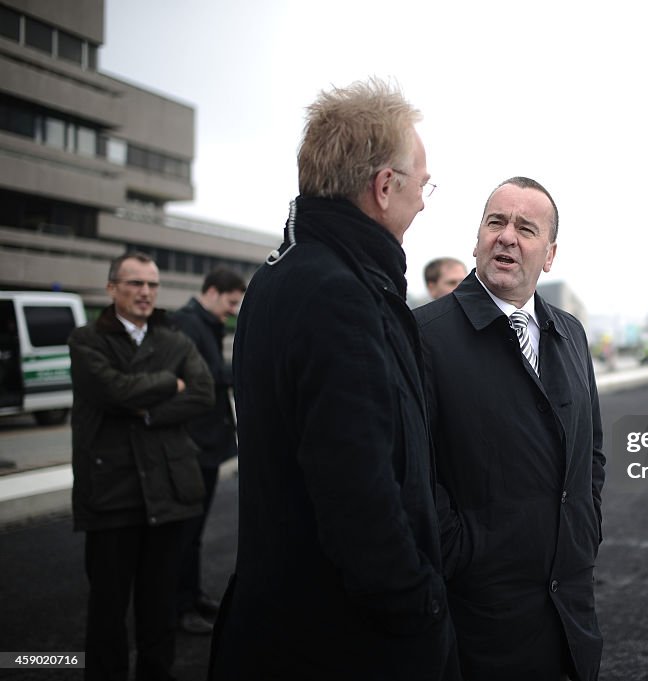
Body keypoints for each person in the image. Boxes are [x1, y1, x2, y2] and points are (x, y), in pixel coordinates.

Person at [209, 79, 458, 680]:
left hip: (287, 621)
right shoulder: (339, 295)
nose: (424, 201)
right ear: (383, 187)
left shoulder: (282, 276)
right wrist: (418, 602)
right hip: (345, 640)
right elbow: (357, 488)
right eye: (422, 183)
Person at [414, 177, 605, 681]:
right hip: (481, 616)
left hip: (571, 605)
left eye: (526, 228)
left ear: (550, 254)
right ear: (476, 238)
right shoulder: (424, 337)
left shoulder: (571, 334)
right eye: (495, 222)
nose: (507, 237)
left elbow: (593, 453)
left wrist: (585, 531)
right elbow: (411, 472)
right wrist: (465, 555)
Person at [69, 252, 214, 681]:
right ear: (112, 287)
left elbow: (203, 392)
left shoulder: (174, 339)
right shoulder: (87, 340)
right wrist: (170, 383)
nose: (146, 292)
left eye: (152, 284)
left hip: (168, 491)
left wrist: (149, 412)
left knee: (159, 603)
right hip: (111, 492)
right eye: (135, 283)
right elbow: (114, 391)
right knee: (108, 608)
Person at [171, 267, 247, 634]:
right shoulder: (188, 324)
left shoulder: (202, 324)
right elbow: (207, 376)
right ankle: (180, 607)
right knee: (185, 534)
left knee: (194, 531)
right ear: (213, 292)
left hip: (205, 444)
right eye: (231, 302)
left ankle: (192, 596)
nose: (232, 310)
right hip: (193, 446)